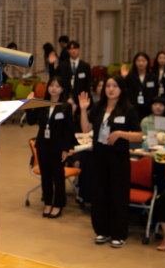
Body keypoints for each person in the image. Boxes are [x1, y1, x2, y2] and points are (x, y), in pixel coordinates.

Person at [79, 75, 142, 248]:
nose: (111, 89)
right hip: (99, 155)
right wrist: (84, 109)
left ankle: (119, 234)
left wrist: (120, 133)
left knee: (118, 195)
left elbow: (139, 135)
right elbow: (86, 129)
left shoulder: (128, 109)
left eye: (115, 86)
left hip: (118, 157)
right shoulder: (99, 107)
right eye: (108, 86)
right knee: (99, 194)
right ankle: (101, 231)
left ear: (121, 89)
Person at [25, 76, 75, 219]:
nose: (54, 88)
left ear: (62, 89)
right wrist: (29, 104)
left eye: (57, 86)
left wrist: (66, 149)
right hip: (42, 146)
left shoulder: (66, 106)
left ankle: (58, 204)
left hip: (58, 148)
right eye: (51, 85)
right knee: (46, 177)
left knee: (58, 177)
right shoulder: (42, 104)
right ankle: (48, 202)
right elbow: (30, 121)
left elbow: (68, 130)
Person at [122, 52, 158, 120]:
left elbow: (155, 92)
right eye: (138, 61)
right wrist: (124, 78)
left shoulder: (153, 77)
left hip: (148, 108)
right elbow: (124, 90)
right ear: (135, 62)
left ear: (147, 62)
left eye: (143, 61)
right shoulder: (130, 76)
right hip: (133, 107)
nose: (141, 63)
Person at [58, 40, 91, 106]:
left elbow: (87, 84)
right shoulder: (63, 65)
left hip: (80, 96)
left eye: (75, 48)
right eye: (71, 49)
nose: (73, 51)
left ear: (79, 50)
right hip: (66, 94)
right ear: (68, 51)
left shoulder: (85, 66)